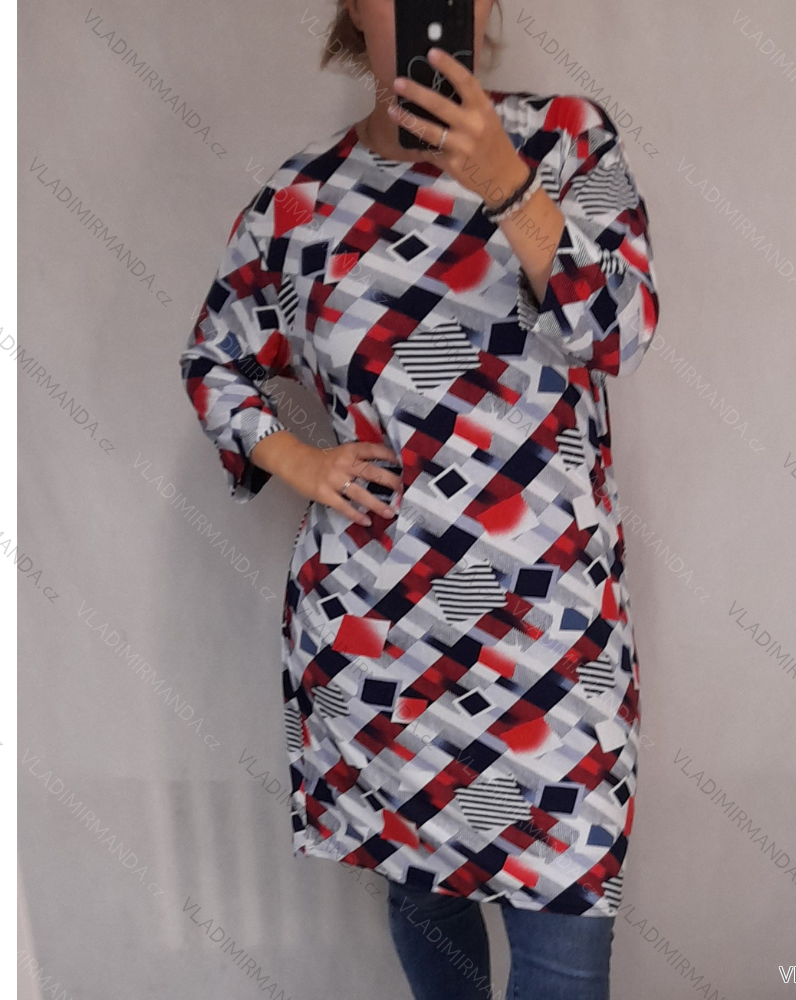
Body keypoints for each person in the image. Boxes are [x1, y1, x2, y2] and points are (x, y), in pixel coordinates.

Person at [178, 1, 660, 996]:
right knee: (426, 907)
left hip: (553, 644)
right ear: (355, 6)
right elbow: (217, 359)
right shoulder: (300, 200)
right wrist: (302, 461)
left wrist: (509, 187)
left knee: (564, 956)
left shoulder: (569, 140)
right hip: (386, 641)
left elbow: (622, 324)